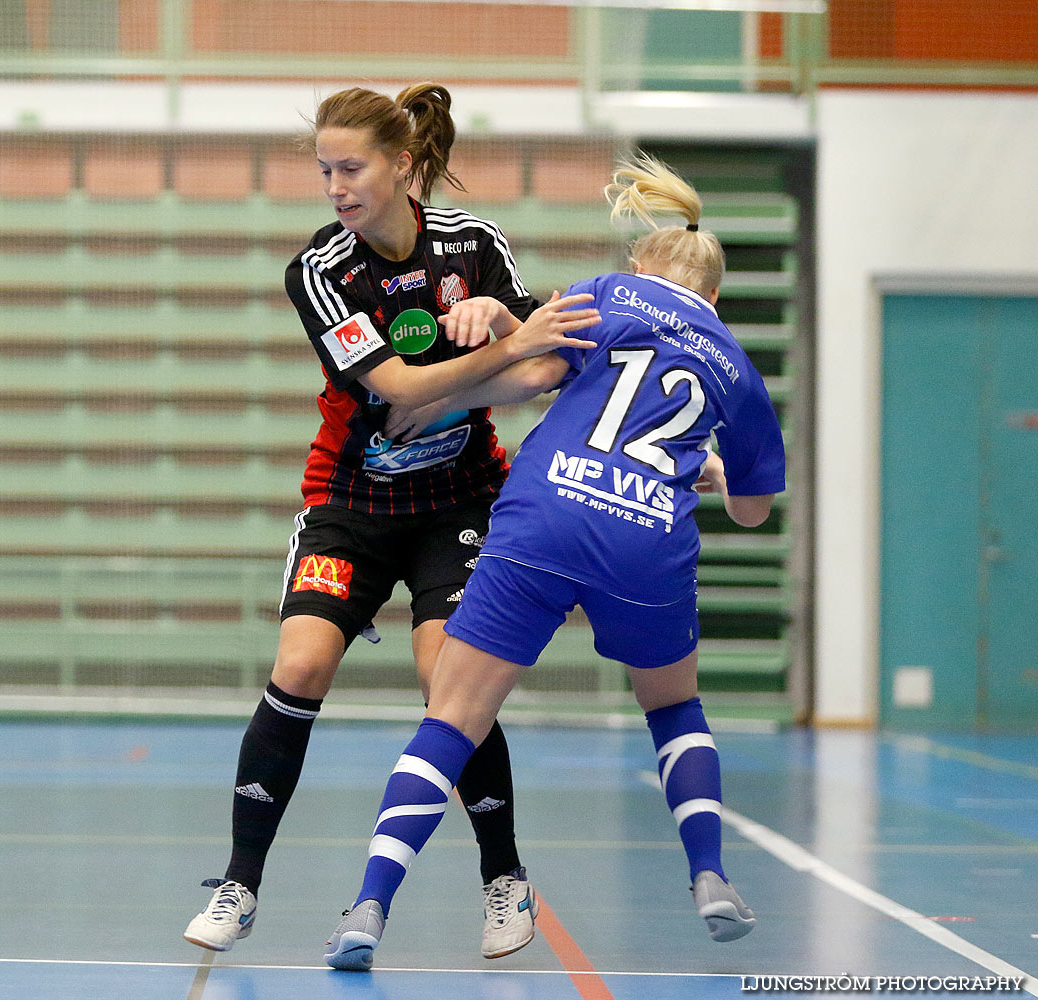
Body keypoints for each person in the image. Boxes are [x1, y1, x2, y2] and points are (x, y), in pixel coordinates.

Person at [322, 153, 787, 971]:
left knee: (452, 717)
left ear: (644, 264)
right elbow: (754, 508)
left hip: (546, 517)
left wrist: (435, 397)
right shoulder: (736, 369)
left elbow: (534, 373)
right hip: (647, 536)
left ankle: (368, 904)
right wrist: (707, 469)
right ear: (715, 297)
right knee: (674, 709)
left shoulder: (608, 294)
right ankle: (710, 875)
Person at [181, 83, 602, 961]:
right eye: (325, 169)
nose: (335, 185)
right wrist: (500, 354)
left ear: (402, 164)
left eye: (351, 166)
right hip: (351, 504)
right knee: (299, 665)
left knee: (448, 679)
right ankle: (239, 884)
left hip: (457, 504)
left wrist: (503, 332)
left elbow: (546, 368)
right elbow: (397, 391)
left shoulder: (473, 245)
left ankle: (504, 878)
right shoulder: (320, 271)